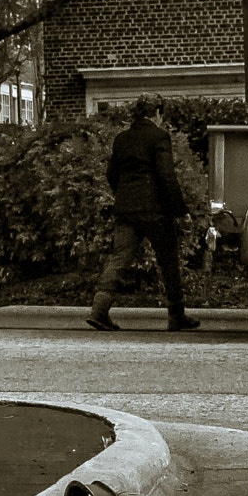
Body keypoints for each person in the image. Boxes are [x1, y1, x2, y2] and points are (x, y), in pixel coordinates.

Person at [88, 95, 200, 331]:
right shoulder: (159, 137)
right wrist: (180, 211)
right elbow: (166, 175)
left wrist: (125, 195)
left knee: (119, 259)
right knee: (168, 261)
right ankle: (176, 315)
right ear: (157, 113)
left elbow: (111, 174)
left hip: (126, 210)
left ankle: (99, 310)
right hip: (156, 211)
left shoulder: (122, 139)